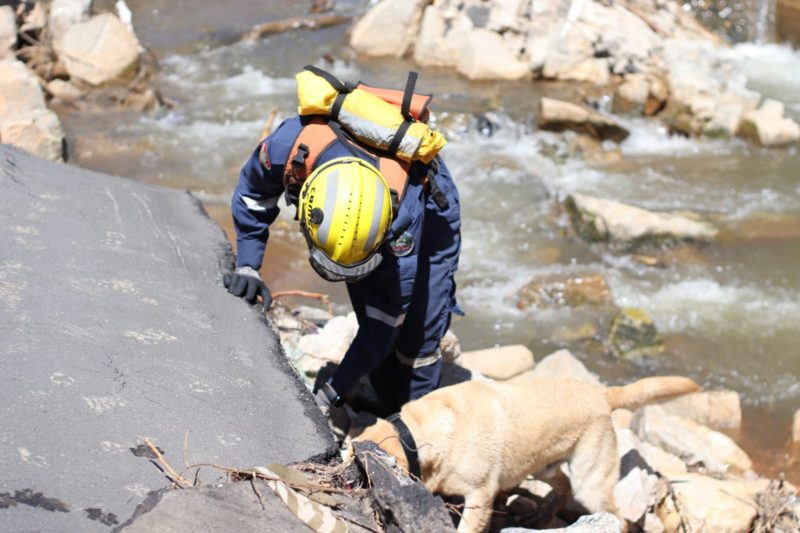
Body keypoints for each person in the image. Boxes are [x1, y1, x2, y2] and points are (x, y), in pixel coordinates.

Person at [224, 69, 462, 422]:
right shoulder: (292, 147)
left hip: (430, 201)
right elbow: (253, 196)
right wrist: (248, 263)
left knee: (418, 330)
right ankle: (379, 398)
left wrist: (332, 391)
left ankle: (417, 429)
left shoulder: (401, 221)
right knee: (373, 319)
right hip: (367, 190)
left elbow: (386, 318)